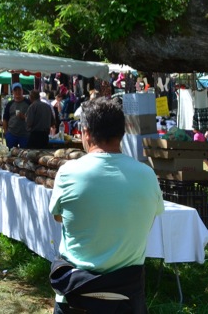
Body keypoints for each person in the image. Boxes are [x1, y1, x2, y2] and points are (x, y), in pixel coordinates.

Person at [48, 97, 164, 312]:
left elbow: (59, 217)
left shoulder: (68, 172)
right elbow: (148, 219)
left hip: (76, 297)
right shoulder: (147, 175)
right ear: (122, 133)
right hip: (127, 298)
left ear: (86, 132)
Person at [2, 83, 31, 148]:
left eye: (19, 90)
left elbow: (33, 118)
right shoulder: (10, 104)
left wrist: (24, 117)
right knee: (11, 152)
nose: (17, 92)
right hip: (11, 134)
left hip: (25, 134)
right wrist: (6, 132)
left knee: (25, 153)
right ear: (12, 92)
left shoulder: (28, 103)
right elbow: (5, 119)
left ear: (22, 91)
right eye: (15, 90)